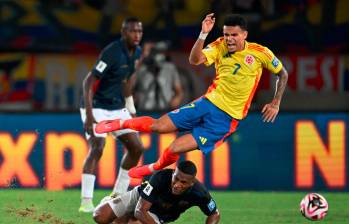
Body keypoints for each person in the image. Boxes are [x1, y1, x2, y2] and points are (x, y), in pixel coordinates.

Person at [95, 13, 289, 179]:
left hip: (225, 120)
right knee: (158, 126)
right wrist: (203, 33)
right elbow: (194, 59)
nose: (229, 39)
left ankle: (154, 167)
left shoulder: (260, 53)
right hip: (207, 103)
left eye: (234, 35)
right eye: (226, 34)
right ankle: (118, 124)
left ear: (245, 35)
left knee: (173, 149)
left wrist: (276, 102)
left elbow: (282, 74)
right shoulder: (220, 45)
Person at [79, 17, 145, 212]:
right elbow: (88, 82)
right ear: (123, 32)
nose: (137, 35)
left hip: (117, 108)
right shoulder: (112, 52)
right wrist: (90, 116)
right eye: (133, 31)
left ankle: (117, 195)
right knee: (98, 147)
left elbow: (126, 81)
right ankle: (85, 202)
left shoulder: (137, 52)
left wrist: (131, 109)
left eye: (140, 31)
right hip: (97, 106)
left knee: (136, 148)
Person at [93, 160, 220, 224]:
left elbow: (214, 214)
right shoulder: (160, 177)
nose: (177, 185)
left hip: (159, 214)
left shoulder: (200, 193)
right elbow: (140, 211)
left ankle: (126, 216)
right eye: (176, 178)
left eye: (183, 182)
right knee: (99, 216)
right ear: (173, 173)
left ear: (192, 183)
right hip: (141, 198)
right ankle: (111, 201)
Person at [134, 41, 183, 111]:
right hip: (144, 110)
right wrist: (144, 55)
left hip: (165, 111)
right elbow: (129, 84)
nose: (159, 54)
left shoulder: (170, 68)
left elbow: (179, 91)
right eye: (156, 51)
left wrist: (176, 100)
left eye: (162, 51)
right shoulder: (142, 69)